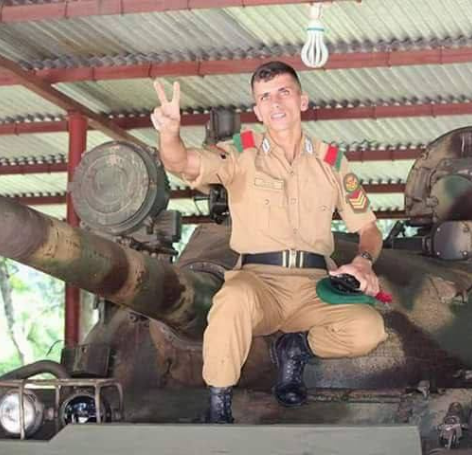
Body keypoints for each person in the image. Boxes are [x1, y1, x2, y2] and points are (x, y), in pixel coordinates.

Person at [151, 61, 388, 423]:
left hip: (314, 288)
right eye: (265, 97)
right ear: (258, 111)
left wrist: (363, 261)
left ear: (302, 101)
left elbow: (369, 228)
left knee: (369, 328)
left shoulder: (331, 162)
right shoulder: (240, 153)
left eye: (283, 92)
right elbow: (184, 163)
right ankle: (218, 408)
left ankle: (296, 348)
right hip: (259, 283)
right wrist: (170, 135)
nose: (275, 103)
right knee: (231, 300)